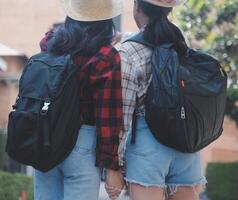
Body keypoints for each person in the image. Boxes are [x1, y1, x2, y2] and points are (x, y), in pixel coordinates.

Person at [34, 0, 124, 199]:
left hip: (46, 136)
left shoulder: (51, 43)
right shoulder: (106, 57)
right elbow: (108, 116)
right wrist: (111, 166)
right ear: (106, 18)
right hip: (82, 141)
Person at [118, 0, 207, 200]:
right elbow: (155, 35)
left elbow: (123, 115)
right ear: (168, 9)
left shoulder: (128, 52)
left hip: (147, 146)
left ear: (137, 8)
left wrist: (115, 165)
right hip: (185, 142)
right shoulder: (180, 40)